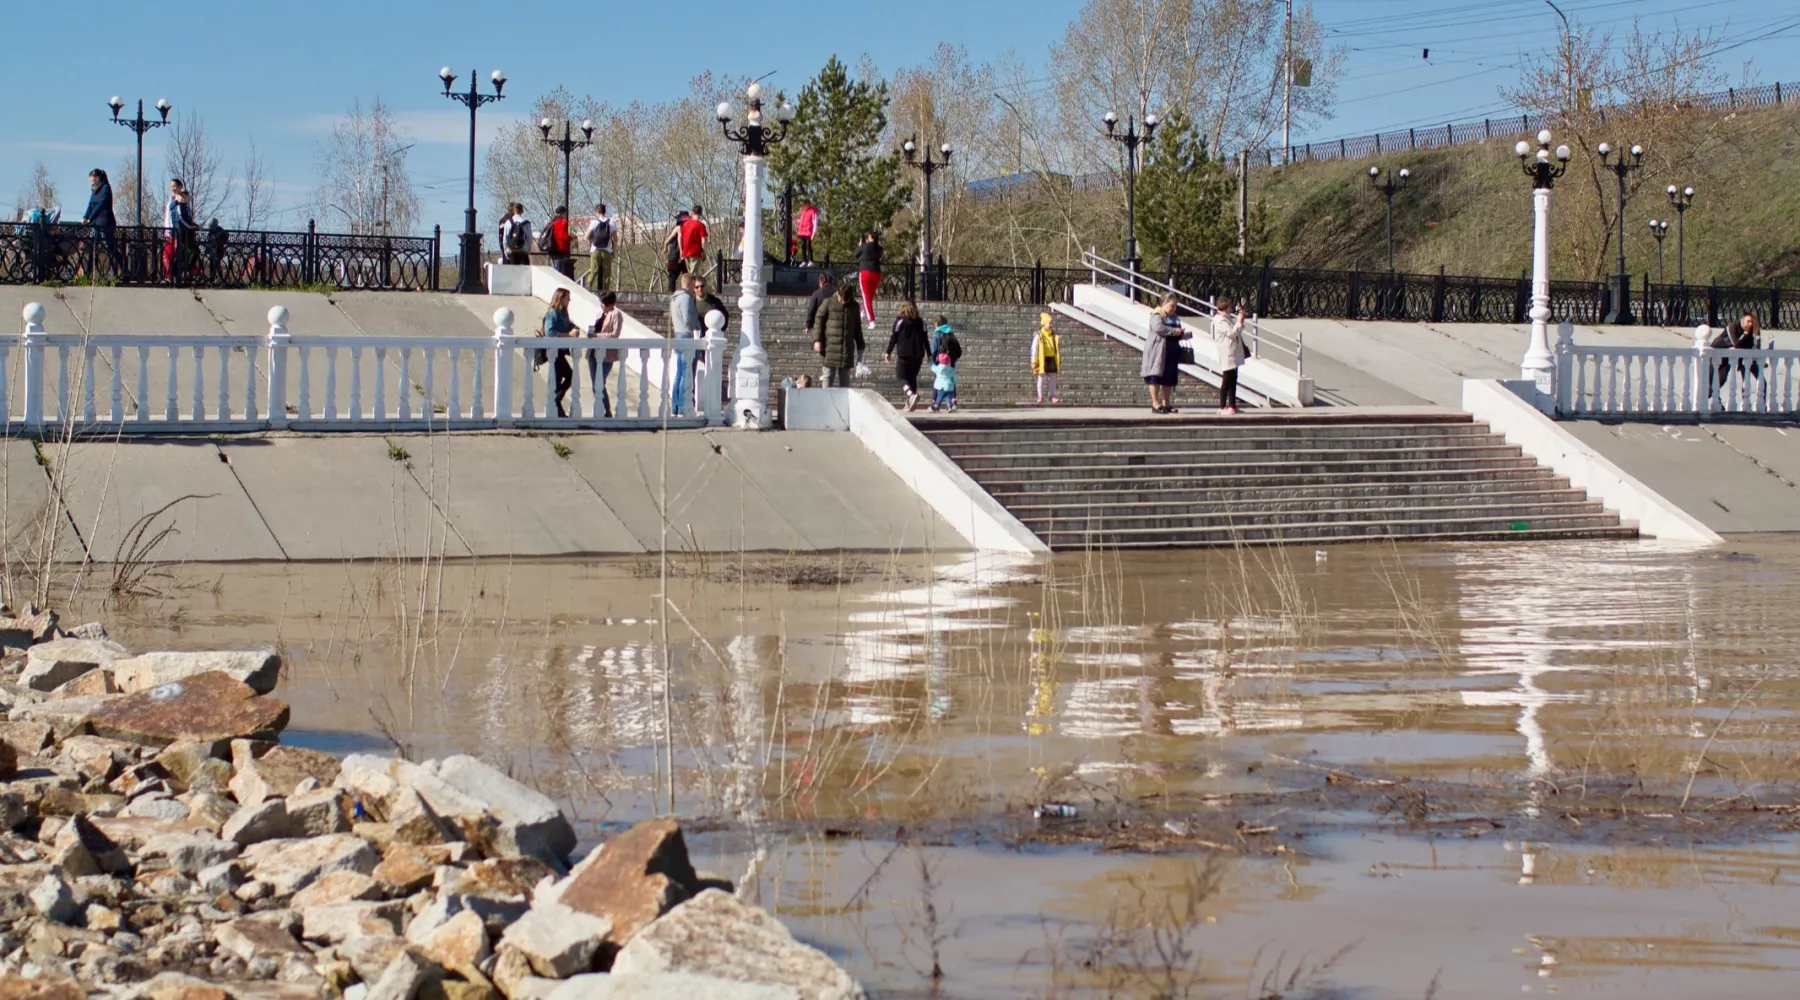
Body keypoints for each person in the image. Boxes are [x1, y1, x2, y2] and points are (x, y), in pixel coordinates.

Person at [814, 284, 864, 387]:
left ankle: (844, 403)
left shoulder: (854, 306)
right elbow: (818, 320)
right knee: (828, 377)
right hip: (830, 348)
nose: (842, 302)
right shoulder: (828, 303)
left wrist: (860, 345)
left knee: (845, 383)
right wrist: (817, 340)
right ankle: (825, 402)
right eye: (841, 299)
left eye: (845, 300)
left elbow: (857, 328)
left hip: (846, 350)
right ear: (838, 294)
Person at [1142, 294, 1185, 414]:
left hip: (1171, 351)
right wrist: (1174, 331)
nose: (1173, 309)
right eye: (1172, 306)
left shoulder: (1175, 317)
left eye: (1175, 306)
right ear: (1165, 303)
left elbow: (1177, 331)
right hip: (1158, 351)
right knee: (1155, 376)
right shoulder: (1157, 314)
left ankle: (1166, 403)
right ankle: (1155, 404)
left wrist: (1182, 334)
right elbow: (1158, 328)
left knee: (1168, 378)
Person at [884, 300, 930, 411]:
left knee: (901, 377)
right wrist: (930, 354)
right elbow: (925, 340)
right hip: (918, 355)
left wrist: (888, 352)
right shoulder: (921, 322)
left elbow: (893, 337)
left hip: (904, 354)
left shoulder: (899, 321)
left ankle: (910, 395)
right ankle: (909, 403)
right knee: (912, 377)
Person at [668, 273, 703, 416]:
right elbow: (688, 320)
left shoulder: (674, 299)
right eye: (694, 286)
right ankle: (683, 405)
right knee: (687, 373)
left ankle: (675, 406)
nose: (695, 290)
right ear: (689, 284)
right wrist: (697, 329)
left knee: (679, 373)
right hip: (687, 336)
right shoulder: (686, 299)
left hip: (678, 335)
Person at [1711, 312, 1762, 404]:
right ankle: (1707, 399)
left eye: (1752, 322)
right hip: (1715, 354)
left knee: (1721, 379)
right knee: (1712, 380)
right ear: (1742, 320)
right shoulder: (1732, 326)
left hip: (1727, 357)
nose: (1750, 324)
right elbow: (1736, 344)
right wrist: (1746, 334)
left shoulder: (1751, 330)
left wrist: (1750, 336)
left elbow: (1750, 346)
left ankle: (1716, 401)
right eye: (1748, 321)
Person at [1209, 297, 1248, 414]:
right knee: (1227, 380)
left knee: (1233, 380)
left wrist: (1240, 321)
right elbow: (1232, 333)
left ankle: (1232, 405)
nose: (1232, 309)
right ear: (1225, 308)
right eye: (1230, 307)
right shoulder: (1220, 320)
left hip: (1233, 353)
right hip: (1228, 353)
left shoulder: (1226, 318)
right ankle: (1222, 407)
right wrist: (1239, 322)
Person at [542, 287, 577, 418]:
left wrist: (574, 328)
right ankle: (555, 401)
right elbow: (550, 332)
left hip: (560, 351)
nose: (569, 300)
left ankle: (556, 409)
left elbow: (569, 325)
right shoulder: (553, 313)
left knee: (557, 380)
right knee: (569, 376)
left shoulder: (563, 313)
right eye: (567, 297)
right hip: (553, 352)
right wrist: (568, 335)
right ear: (561, 298)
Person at [81, 169, 122, 277]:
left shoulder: (105, 188)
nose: (90, 180)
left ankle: (122, 270)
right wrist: (85, 217)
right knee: (91, 247)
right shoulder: (94, 190)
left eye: (92, 178)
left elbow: (102, 204)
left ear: (98, 178)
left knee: (111, 248)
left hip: (106, 223)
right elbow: (90, 205)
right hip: (96, 224)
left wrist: (90, 217)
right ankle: (88, 273)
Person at [589, 291, 623, 418]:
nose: (601, 306)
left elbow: (615, 334)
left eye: (603, 303)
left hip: (607, 354)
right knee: (595, 383)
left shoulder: (616, 314)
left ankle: (606, 409)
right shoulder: (600, 314)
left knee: (600, 382)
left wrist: (597, 336)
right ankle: (601, 408)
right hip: (594, 352)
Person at [163, 179, 197, 285]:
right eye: (171, 186)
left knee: (168, 253)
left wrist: (192, 226)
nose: (172, 188)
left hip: (176, 232)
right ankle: (192, 272)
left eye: (175, 186)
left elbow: (181, 217)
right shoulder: (172, 199)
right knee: (179, 253)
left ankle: (171, 276)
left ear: (180, 186)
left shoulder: (180, 199)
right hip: (170, 231)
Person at [1032, 312, 1062, 404]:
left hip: (1052, 358)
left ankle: (1052, 396)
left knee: (1053, 378)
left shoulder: (1053, 335)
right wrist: (1033, 360)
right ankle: (1040, 396)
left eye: (1051, 323)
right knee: (1041, 378)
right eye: (1049, 323)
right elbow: (1034, 348)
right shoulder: (1039, 335)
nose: (1051, 325)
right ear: (1043, 324)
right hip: (1042, 359)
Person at [582, 203, 614, 292]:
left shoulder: (594, 222)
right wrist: (613, 250)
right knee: (607, 273)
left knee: (593, 270)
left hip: (595, 250)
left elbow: (586, 236)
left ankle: (588, 286)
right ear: (605, 211)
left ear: (597, 212)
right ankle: (605, 292)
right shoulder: (611, 222)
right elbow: (616, 238)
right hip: (607, 251)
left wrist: (593, 239)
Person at [855, 230, 883, 328]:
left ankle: (871, 320)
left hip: (865, 272)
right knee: (869, 296)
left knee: (866, 297)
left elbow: (856, 254)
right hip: (876, 273)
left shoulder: (864, 246)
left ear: (870, 237)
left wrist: (860, 245)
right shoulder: (879, 248)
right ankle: (862, 311)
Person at [662, 210, 689, 292]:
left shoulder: (678, 228)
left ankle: (672, 292)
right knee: (686, 275)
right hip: (685, 253)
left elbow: (667, 240)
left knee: (673, 276)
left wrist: (665, 247)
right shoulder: (688, 228)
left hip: (676, 254)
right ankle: (687, 291)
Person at [678, 204, 708, 278]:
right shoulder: (701, 225)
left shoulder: (685, 224)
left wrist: (681, 251)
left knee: (690, 273)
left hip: (686, 251)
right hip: (695, 252)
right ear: (701, 213)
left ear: (692, 212)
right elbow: (703, 240)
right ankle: (692, 289)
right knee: (693, 275)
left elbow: (680, 236)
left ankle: (690, 288)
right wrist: (704, 252)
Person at [803, 273, 836, 341]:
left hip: (821, 326)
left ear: (820, 282)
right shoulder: (837, 293)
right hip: (835, 325)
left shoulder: (817, 293)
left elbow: (811, 309)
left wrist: (808, 325)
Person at [544, 206, 573, 278]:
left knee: (555, 267)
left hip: (551, 247)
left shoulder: (551, 222)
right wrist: (571, 238)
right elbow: (562, 236)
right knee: (559, 271)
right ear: (562, 213)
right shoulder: (563, 222)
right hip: (560, 249)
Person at [796, 198, 820, 265]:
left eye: (804, 204)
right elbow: (801, 221)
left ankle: (810, 260)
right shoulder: (803, 211)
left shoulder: (813, 211)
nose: (803, 206)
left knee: (808, 245)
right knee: (803, 245)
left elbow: (815, 223)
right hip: (802, 231)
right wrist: (795, 220)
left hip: (809, 231)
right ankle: (804, 260)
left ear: (808, 204)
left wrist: (814, 233)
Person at [205, 218, 229, 283]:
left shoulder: (220, 230)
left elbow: (222, 240)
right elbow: (208, 241)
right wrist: (207, 250)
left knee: (217, 264)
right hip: (212, 250)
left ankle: (220, 278)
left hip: (218, 250)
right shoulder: (210, 232)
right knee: (212, 264)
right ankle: (212, 278)